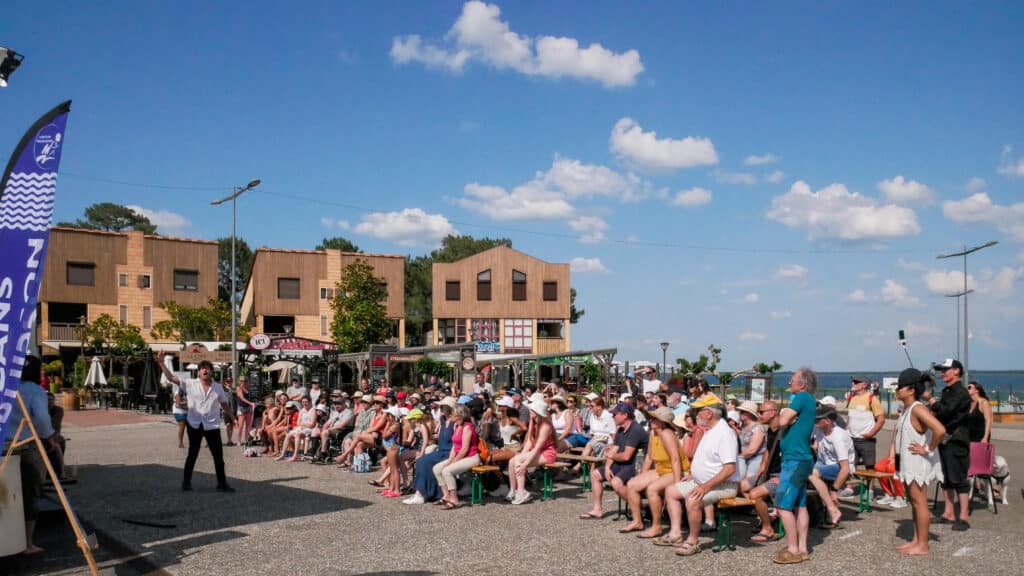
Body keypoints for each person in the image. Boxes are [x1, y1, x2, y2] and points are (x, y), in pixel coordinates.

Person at [662, 397, 739, 556]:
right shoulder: (711, 430)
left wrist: (705, 486)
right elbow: (709, 460)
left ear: (709, 413)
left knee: (692, 499)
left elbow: (730, 469)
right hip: (703, 482)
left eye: (698, 411)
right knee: (671, 491)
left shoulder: (725, 434)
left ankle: (692, 541)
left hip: (724, 486)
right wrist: (693, 475)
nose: (695, 415)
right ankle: (676, 533)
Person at [4, 356, 58, 555]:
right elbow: (43, 419)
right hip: (27, 446)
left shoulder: (5, 388)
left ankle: (7, 539)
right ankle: (27, 542)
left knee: (6, 495)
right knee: (30, 494)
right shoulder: (35, 391)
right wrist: (50, 437)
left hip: (3, 447)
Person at [156, 352, 233, 492]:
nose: (205, 370)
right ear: (198, 372)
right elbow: (170, 377)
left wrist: (233, 418)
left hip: (212, 425)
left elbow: (224, 404)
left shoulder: (218, 387)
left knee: (218, 456)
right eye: (202, 368)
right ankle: (186, 482)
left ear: (211, 372)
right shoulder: (190, 383)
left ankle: (222, 483)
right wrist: (161, 363)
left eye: (207, 368)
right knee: (193, 453)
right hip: (195, 423)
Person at [890, 368, 946, 555]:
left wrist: (928, 448)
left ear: (911, 390)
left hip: (917, 463)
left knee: (920, 502)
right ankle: (916, 539)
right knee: (914, 502)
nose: (897, 390)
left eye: (900, 387)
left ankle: (923, 544)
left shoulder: (918, 408)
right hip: (907, 463)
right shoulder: (907, 409)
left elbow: (939, 429)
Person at [772, 367, 818, 564]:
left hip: (795, 460)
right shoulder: (808, 400)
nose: (789, 383)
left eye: (792, 380)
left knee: (782, 505)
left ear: (802, 384)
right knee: (799, 505)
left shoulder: (801, 398)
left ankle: (793, 549)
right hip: (801, 459)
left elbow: (779, 422)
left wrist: (785, 415)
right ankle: (802, 548)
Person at [622, 407, 682, 538]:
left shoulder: (667, 434)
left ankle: (657, 527)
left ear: (663, 421)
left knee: (652, 489)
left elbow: (675, 459)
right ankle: (637, 521)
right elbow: (649, 456)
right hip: (661, 469)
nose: (651, 420)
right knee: (632, 484)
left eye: (654, 418)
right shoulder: (653, 433)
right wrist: (643, 473)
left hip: (673, 470)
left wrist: (677, 483)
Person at [580, 402, 647, 520]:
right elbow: (615, 449)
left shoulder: (635, 429)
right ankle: (597, 510)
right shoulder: (621, 429)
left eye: (615, 414)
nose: (613, 416)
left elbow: (626, 456)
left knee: (616, 482)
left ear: (625, 415)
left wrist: (611, 455)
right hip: (622, 462)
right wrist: (607, 467)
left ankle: (639, 507)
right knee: (595, 474)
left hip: (636, 464)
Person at [929, 358, 972, 530]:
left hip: (956, 440)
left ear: (956, 371)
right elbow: (941, 414)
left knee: (959, 479)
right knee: (946, 478)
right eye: (942, 370)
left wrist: (931, 401)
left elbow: (946, 411)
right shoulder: (948, 391)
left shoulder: (960, 392)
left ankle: (963, 515)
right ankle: (949, 513)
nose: (942, 373)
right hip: (945, 439)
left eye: (946, 369)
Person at [808, 405, 854, 529]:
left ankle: (831, 509)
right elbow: (816, 447)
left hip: (841, 468)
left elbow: (845, 468)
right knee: (802, 471)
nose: (814, 421)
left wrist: (834, 490)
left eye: (817, 419)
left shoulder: (838, 436)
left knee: (812, 474)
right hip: (824, 464)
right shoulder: (819, 429)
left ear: (828, 421)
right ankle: (817, 515)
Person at [404, 396, 457, 504]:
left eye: (442, 406)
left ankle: (421, 494)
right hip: (441, 450)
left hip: (449, 452)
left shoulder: (455, 422)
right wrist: (434, 437)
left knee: (423, 461)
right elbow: (440, 436)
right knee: (423, 460)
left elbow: (456, 440)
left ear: (449, 408)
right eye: (440, 406)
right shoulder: (443, 420)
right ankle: (424, 493)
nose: (440, 408)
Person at [508, 395, 557, 505]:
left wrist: (525, 463)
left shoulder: (546, 426)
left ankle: (522, 492)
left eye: (531, 410)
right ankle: (513, 490)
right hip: (539, 451)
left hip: (548, 453)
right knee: (512, 460)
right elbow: (530, 441)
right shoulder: (535, 422)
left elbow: (537, 447)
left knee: (518, 461)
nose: (529, 411)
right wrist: (522, 455)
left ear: (537, 411)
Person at [842, 375, 885, 499]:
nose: (853, 384)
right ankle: (849, 488)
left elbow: (881, 419)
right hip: (851, 438)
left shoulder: (872, 398)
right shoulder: (853, 398)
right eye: (853, 382)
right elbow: (850, 418)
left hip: (866, 440)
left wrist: (871, 433)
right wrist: (846, 432)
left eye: (856, 382)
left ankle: (870, 491)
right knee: (850, 464)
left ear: (864, 384)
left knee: (869, 466)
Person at [746, 400, 783, 543]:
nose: (758, 415)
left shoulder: (785, 431)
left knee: (755, 494)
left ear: (773, 413)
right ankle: (768, 518)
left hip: (782, 475)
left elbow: (793, 456)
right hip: (772, 473)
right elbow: (768, 450)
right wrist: (763, 467)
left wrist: (784, 477)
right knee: (746, 487)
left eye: (761, 412)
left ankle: (768, 529)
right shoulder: (771, 430)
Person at [434, 404, 480, 509]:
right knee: (437, 469)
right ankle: (446, 496)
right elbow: (454, 446)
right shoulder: (457, 426)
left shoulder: (468, 427)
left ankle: (454, 500)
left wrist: (453, 462)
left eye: (454, 415)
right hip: (461, 456)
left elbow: (464, 449)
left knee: (447, 471)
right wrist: (450, 460)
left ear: (461, 415)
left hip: (471, 457)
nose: (452, 417)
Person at [736, 400, 766, 493]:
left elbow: (752, 450)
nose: (739, 413)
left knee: (745, 485)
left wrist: (738, 457)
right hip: (744, 460)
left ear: (749, 413)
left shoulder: (757, 428)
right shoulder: (744, 427)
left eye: (742, 411)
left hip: (755, 460)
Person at [234, 376, 256, 446]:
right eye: (242, 381)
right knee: (240, 426)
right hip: (241, 408)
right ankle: (238, 441)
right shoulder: (238, 388)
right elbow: (242, 398)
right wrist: (251, 403)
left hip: (248, 408)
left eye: (245, 381)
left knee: (248, 425)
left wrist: (253, 403)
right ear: (239, 381)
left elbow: (250, 398)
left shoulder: (248, 388)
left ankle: (246, 440)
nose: (243, 382)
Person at [171, 373, 189, 449]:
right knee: (182, 426)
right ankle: (180, 443)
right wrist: (189, 402)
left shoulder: (189, 391)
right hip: (179, 410)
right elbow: (179, 403)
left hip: (187, 411)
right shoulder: (178, 391)